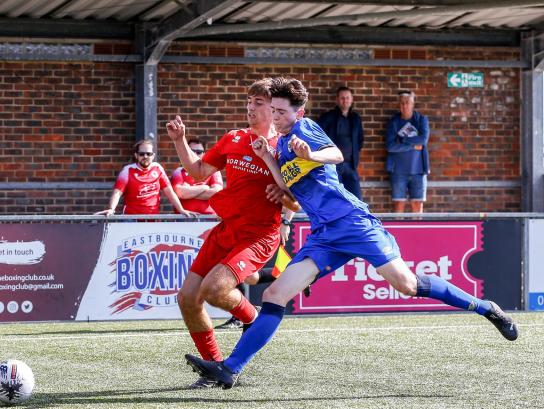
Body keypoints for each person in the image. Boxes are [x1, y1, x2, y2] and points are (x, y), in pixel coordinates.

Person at [185, 77, 518, 389]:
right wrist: (269, 161)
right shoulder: (282, 144)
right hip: (325, 234)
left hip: (353, 223)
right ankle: (231, 369)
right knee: (274, 297)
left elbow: (337, 154)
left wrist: (311, 154)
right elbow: (288, 183)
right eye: (273, 110)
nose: (276, 116)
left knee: (408, 285)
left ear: (297, 111)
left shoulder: (305, 129)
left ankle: (484, 306)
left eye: (281, 111)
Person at [166, 78, 299, 388]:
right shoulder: (233, 138)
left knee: (214, 289)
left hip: (258, 236)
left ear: (274, 109)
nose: (250, 107)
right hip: (227, 230)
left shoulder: (284, 146)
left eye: (258, 103)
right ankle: (214, 368)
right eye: (249, 102)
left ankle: (253, 319)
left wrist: (285, 215)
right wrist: (179, 140)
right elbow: (199, 172)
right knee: (187, 298)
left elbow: (296, 197)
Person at [96, 139, 195, 217]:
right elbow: (117, 193)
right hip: (131, 220)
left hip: (153, 219)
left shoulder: (158, 168)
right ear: (136, 155)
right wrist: (111, 209)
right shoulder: (127, 170)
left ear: (153, 156)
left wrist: (181, 209)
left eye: (148, 154)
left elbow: (169, 192)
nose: (145, 156)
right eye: (141, 154)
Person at [386, 90, 430, 213]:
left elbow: (423, 140)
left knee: (417, 205)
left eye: (407, 102)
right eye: (402, 103)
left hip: (419, 170)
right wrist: (412, 145)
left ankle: (419, 233)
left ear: (412, 104)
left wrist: (402, 139)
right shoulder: (393, 122)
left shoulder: (421, 120)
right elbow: (391, 147)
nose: (404, 105)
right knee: (398, 205)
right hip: (398, 171)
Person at [317, 86, 364, 199]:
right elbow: (318, 138)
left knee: (356, 198)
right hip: (332, 165)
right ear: (337, 100)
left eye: (347, 97)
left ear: (351, 99)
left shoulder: (356, 118)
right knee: (335, 198)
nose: (345, 100)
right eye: (342, 98)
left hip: (350, 165)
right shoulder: (327, 118)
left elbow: (360, 140)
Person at [171, 138, 223, 215]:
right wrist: (204, 187)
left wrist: (189, 191)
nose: (195, 154)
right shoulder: (178, 171)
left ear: (204, 154)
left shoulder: (213, 170)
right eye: (192, 151)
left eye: (199, 152)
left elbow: (216, 193)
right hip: (184, 218)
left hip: (208, 218)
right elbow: (180, 193)